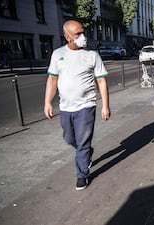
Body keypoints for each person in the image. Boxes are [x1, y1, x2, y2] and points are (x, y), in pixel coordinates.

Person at [44, 20, 110, 190]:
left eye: (83, 32)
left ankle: (82, 174)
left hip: (86, 107)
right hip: (65, 107)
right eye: (78, 34)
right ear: (67, 37)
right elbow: (52, 80)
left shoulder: (92, 55)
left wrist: (105, 106)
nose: (83, 37)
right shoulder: (57, 54)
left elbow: (101, 81)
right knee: (69, 138)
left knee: (82, 142)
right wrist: (47, 102)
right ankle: (87, 151)